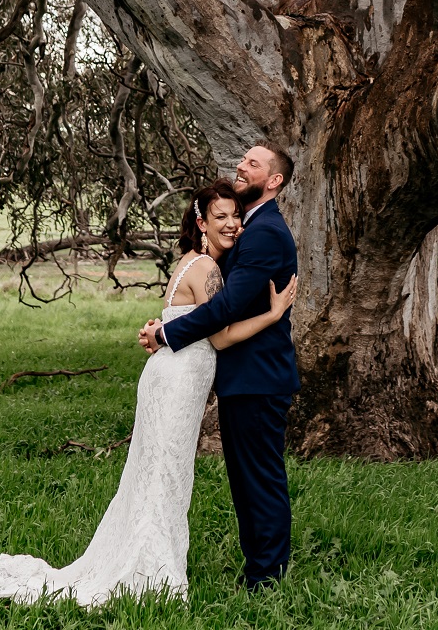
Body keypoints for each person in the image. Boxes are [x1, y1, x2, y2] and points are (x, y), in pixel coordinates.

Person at [0, 178, 296, 606]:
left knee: (154, 475)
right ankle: (149, 573)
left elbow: (191, 322)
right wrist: (275, 313)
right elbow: (221, 337)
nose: (232, 225)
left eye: (236, 216)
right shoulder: (207, 270)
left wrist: (164, 330)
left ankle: (148, 564)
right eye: (220, 217)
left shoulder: (190, 262)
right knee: (164, 477)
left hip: (169, 378)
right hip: (178, 383)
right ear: (200, 222)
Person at [142, 143, 299, 591]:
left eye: (253, 163)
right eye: (242, 160)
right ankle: (260, 568)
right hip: (241, 377)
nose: (241, 166)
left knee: (260, 480)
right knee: (247, 480)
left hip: (259, 377)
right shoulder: (249, 228)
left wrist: (167, 334)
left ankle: (266, 578)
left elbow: (227, 305)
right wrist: (169, 321)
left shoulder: (267, 231)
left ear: (274, 181)